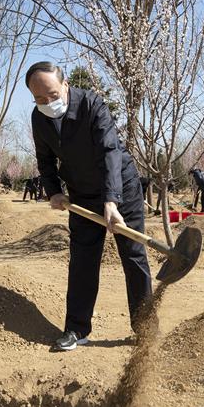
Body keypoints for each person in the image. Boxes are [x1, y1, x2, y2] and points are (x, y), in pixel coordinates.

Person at [28, 61, 152, 351]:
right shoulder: (39, 118)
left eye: (53, 95)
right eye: (40, 99)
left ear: (66, 85)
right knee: (83, 260)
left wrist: (111, 201)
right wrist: (54, 192)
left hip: (122, 187)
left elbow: (110, 151)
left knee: (133, 256)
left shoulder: (92, 105)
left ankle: (145, 328)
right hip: (81, 194)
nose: (48, 103)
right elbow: (44, 159)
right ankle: (76, 329)